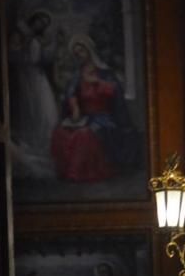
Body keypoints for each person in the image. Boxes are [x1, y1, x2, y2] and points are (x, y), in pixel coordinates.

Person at [50, 33, 136, 182]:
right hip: (84, 117)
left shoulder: (104, 72)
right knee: (60, 133)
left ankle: (78, 174)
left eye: (81, 51)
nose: (80, 56)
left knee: (84, 134)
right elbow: (71, 92)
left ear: (89, 50)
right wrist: (74, 106)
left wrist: (96, 82)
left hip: (103, 117)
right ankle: (66, 174)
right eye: (76, 54)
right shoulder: (78, 74)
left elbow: (114, 92)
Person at [9, 10, 59, 178]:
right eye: (40, 21)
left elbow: (39, 59)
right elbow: (14, 55)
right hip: (25, 77)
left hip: (37, 77)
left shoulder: (37, 39)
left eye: (44, 24)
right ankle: (31, 145)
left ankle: (44, 146)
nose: (41, 25)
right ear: (34, 19)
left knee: (45, 110)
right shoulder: (22, 33)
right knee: (29, 109)